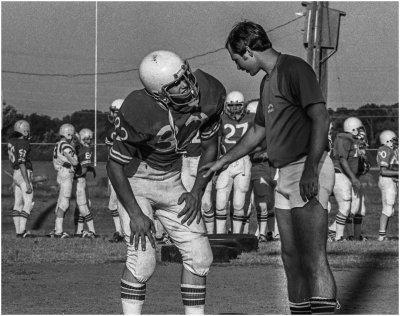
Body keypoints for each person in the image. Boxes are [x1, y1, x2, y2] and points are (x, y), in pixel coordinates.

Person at [201, 21, 338, 314]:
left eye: (236, 59)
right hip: (285, 172)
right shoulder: (267, 82)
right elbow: (257, 131)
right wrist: (223, 161)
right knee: (290, 256)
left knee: (312, 257)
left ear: (248, 50)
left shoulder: (294, 69)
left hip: (306, 166)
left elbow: (321, 118)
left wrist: (311, 170)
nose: (237, 66)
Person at [107, 50, 226, 314]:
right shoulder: (139, 109)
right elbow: (114, 165)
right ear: (159, 94)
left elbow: (210, 149)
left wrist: (196, 191)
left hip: (172, 176)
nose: (188, 85)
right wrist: (135, 213)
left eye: (186, 76)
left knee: (200, 258)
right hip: (137, 178)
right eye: (177, 85)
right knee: (143, 262)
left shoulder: (210, 92)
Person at [214, 91, 253, 234]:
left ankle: (237, 235)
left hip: (243, 161)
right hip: (225, 161)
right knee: (220, 202)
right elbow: (217, 144)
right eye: (232, 105)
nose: (235, 109)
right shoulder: (221, 119)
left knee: (238, 202)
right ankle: (219, 235)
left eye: (238, 105)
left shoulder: (252, 118)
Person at [330, 117, 370, 242]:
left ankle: (355, 236)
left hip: (349, 176)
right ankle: (337, 235)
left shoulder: (354, 141)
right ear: (352, 130)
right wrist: (353, 178)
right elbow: (342, 160)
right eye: (359, 129)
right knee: (346, 205)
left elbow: (354, 162)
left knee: (358, 208)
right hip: (340, 174)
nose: (362, 131)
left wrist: (363, 167)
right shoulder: (343, 138)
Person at [243, 100, 277, 242]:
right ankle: (252, 233)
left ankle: (268, 232)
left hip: (265, 166)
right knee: (247, 203)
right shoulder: (247, 128)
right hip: (251, 166)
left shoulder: (268, 129)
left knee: (267, 201)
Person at [48, 123, 79, 238]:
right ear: (68, 134)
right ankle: (59, 232)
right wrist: (75, 161)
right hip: (66, 173)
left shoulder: (58, 144)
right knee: (65, 203)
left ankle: (56, 229)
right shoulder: (66, 146)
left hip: (61, 173)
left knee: (61, 201)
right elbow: (74, 162)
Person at [181, 130, 215, 234]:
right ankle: (193, 233)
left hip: (202, 160)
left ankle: (210, 235)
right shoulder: (183, 117)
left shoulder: (206, 117)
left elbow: (214, 145)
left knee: (206, 203)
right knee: (187, 201)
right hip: (185, 160)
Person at [8, 120, 34, 238]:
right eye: (27, 131)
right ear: (24, 131)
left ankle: (18, 232)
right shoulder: (24, 142)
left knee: (18, 203)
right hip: (23, 173)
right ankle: (22, 231)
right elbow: (22, 162)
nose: (28, 133)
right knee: (28, 202)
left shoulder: (12, 141)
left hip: (15, 173)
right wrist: (27, 182)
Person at [105, 99, 125, 243]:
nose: (112, 114)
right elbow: (109, 154)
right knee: (113, 203)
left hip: (125, 170)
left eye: (114, 111)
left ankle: (125, 231)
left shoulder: (129, 130)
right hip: (115, 169)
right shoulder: (110, 132)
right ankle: (119, 232)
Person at [73, 128, 97, 238]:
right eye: (87, 139)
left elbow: (83, 167)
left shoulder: (80, 148)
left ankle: (80, 231)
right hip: (80, 180)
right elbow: (83, 170)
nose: (90, 141)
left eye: (90, 139)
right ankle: (91, 230)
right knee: (83, 206)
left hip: (79, 180)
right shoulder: (86, 150)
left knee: (82, 206)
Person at [376, 130, 398, 241]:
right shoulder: (384, 150)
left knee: (390, 209)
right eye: (393, 141)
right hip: (386, 180)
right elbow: (383, 171)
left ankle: (383, 235)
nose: (394, 143)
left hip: (390, 181)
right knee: (387, 209)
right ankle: (381, 236)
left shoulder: (390, 150)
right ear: (387, 141)